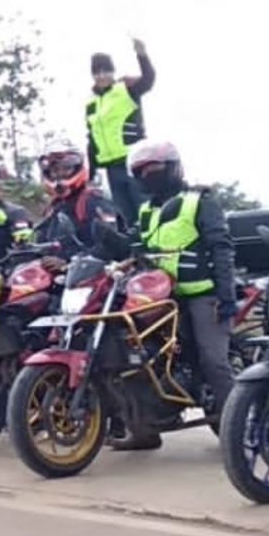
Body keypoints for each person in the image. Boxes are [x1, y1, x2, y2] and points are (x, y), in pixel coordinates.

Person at [100, 140, 236, 451]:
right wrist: (107, 238)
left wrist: (226, 295)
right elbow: (136, 247)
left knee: (213, 361)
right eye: (141, 172)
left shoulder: (199, 201)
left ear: (174, 168)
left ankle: (238, 434)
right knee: (130, 354)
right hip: (158, 296)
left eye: (154, 169)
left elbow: (221, 247)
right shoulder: (147, 210)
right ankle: (143, 431)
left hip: (202, 294)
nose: (148, 176)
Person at [86, 38, 156, 222]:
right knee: (124, 216)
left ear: (113, 71)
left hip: (134, 162)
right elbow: (92, 139)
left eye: (106, 71)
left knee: (146, 210)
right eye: (97, 72)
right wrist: (90, 174)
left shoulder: (126, 89)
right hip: (111, 168)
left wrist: (142, 55)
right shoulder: (91, 103)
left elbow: (148, 80)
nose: (102, 76)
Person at [35, 138, 122, 250]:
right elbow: (41, 241)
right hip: (57, 259)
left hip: (88, 259)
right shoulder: (53, 207)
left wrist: (67, 258)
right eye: (55, 171)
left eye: (66, 169)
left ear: (77, 168)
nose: (60, 174)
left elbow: (109, 244)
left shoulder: (93, 200)